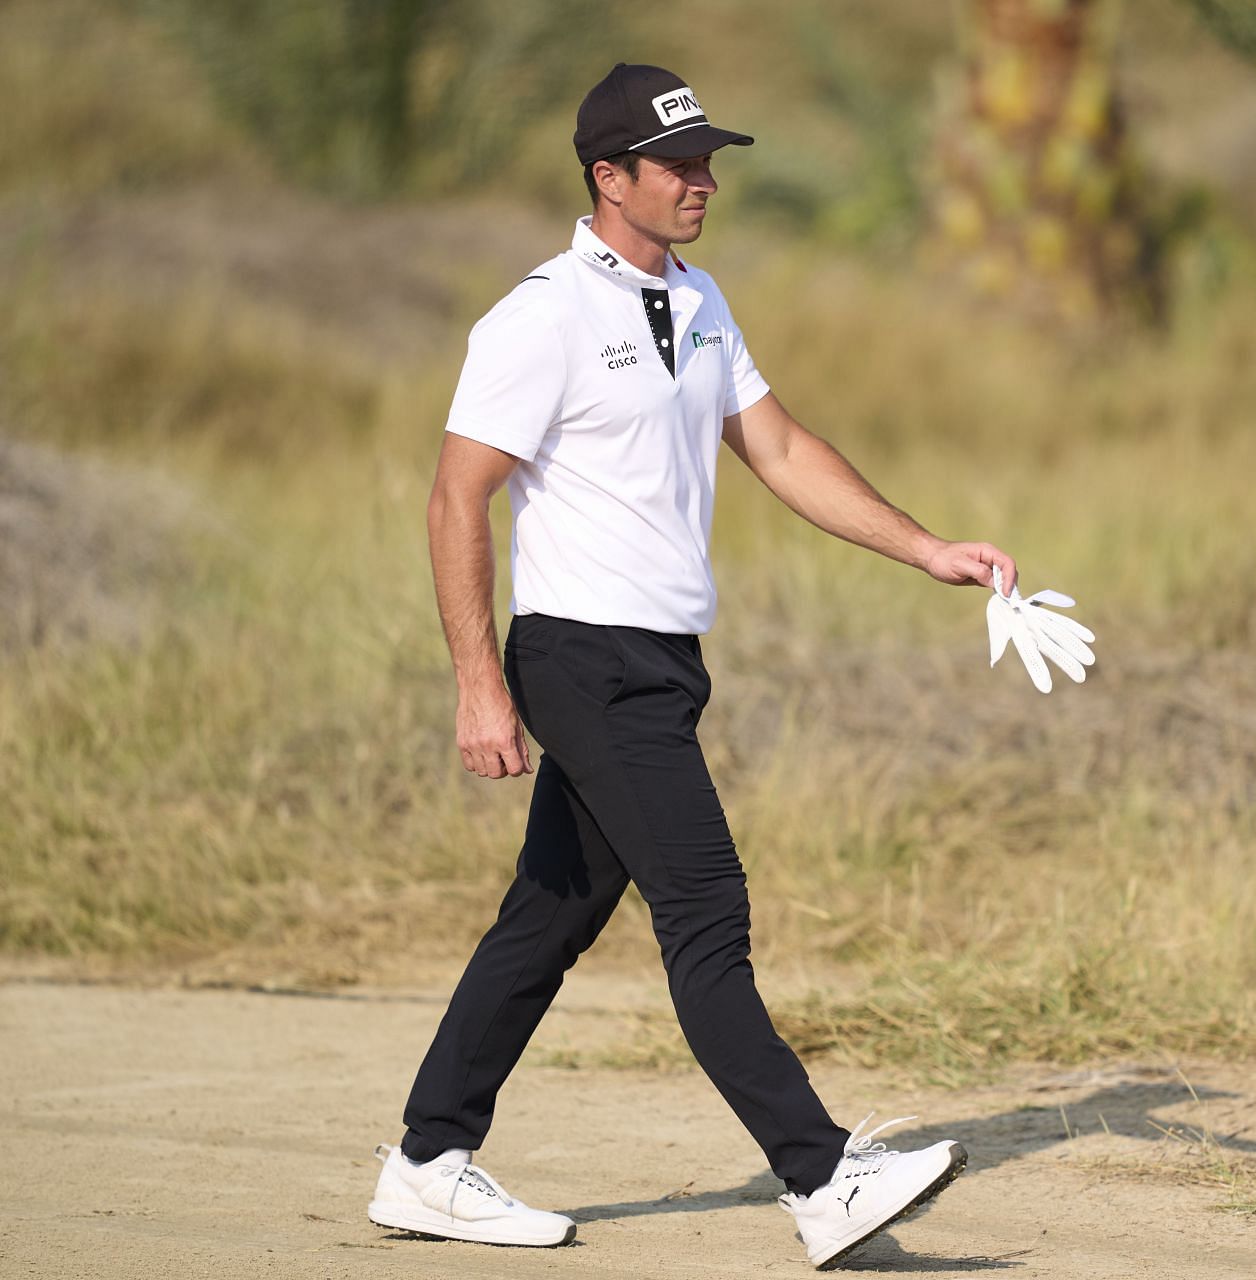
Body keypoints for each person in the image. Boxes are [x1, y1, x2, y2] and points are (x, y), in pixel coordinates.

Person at [365, 63, 1017, 1270]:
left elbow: (775, 443)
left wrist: (924, 547)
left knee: (551, 912)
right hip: (580, 656)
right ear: (608, 178)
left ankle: (426, 1160)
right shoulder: (541, 313)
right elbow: (457, 497)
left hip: (664, 659)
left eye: (710, 161)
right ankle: (822, 1176)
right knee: (707, 906)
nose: (704, 182)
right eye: (678, 165)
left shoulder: (704, 298)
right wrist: (478, 686)